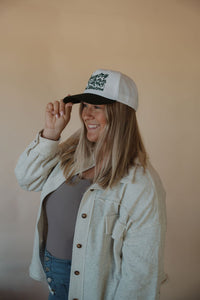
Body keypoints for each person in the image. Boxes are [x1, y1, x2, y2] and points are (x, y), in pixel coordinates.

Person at [15, 69, 167, 300]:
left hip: (92, 288)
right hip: (54, 277)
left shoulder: (141, 184)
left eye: (97, 107)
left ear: (121, 113)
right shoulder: (72, 152)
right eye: (85, 106)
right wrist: (51, 134)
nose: (86, 114)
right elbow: (26, 178)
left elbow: (141, 273)